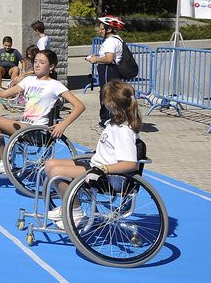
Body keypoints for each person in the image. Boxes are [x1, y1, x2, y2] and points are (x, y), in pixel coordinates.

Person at [43, 81, 142, 229]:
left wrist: (103, 169)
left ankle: (76, 212)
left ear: (110, 102)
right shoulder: (113, 123)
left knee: (57, 172)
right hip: (97, 167)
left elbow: (130, 164)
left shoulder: (123, 131)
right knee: (50, 164)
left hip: (108, 177)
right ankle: (67, 205)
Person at [0, 49, 85, 173]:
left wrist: (63, 125)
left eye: (42, 62)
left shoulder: (55, 85)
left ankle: (3, 161)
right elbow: (4, 94)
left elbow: (79, 106)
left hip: (37, 130)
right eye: (36, 61)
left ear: (51, 66)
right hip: (24, 126)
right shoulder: (29, 81)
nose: (37, 64)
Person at [87, 15, 125, 126]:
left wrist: (95, 59)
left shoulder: (110, 41)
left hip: (109, 71)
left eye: (101, 28)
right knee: (111, 95)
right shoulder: (116, 40)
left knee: (107, 96)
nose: (99, 31)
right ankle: (109, 120)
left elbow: (109, 59)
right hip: (110, 71)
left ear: (109, 29)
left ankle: (106, 122)